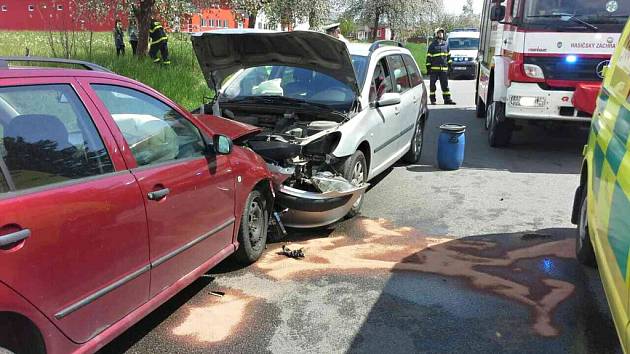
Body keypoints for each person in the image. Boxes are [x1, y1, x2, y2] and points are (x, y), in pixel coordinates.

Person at [426, 28, 456, 105]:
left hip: (444, 70)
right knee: (432, 85)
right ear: (436, 34)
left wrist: (450, 67)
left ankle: (447, 100)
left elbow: (448, 57)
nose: (441, 34)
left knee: (445, 86)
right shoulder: (432, 45)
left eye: (442, 33)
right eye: (439, 33)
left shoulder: (446, 44)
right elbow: (429, 57)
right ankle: (433, 100)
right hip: (434, 70)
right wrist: (428, 68)